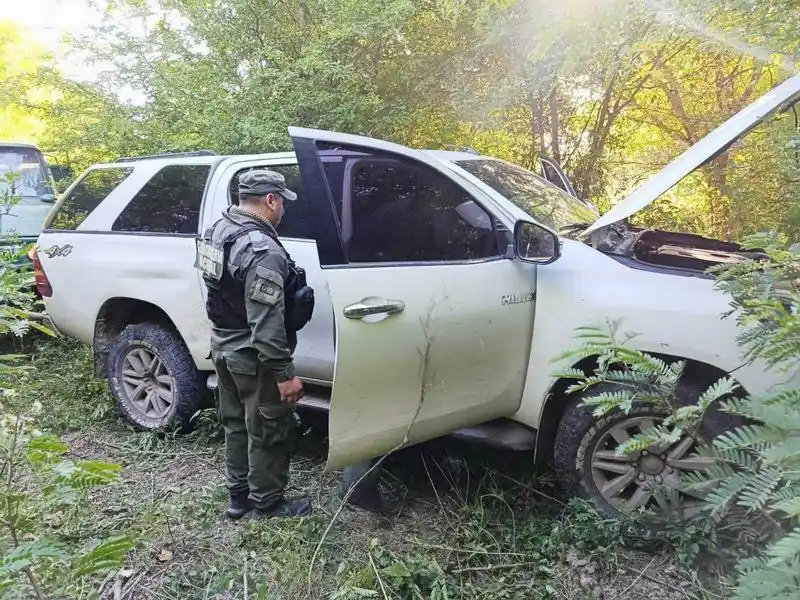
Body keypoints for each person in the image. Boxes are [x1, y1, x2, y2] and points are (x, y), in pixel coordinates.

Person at [194, 168, 314, 520]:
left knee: (236, 424)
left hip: (223, 344)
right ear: (271, 200)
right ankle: (267, 503)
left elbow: (218, 289)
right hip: (253, 354)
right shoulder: (262, 250)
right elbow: (265, 322)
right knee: (268, 428)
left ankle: (239, 497)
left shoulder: (218, 231)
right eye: (282, 202)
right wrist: (284, 373)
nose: (283, 210)